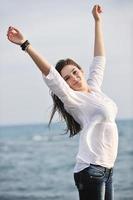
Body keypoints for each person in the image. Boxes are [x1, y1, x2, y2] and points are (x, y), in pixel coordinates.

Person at [7, 4, 118, 200]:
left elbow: (100, 58)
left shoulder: (94, 88)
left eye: (75, 72)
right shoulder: (73, 99)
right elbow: (51, 74)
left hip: (107, 170)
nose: (73, 78)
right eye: (67, 78)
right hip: (91, 170)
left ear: (81, 71)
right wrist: (25, 44)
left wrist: (97, 22)